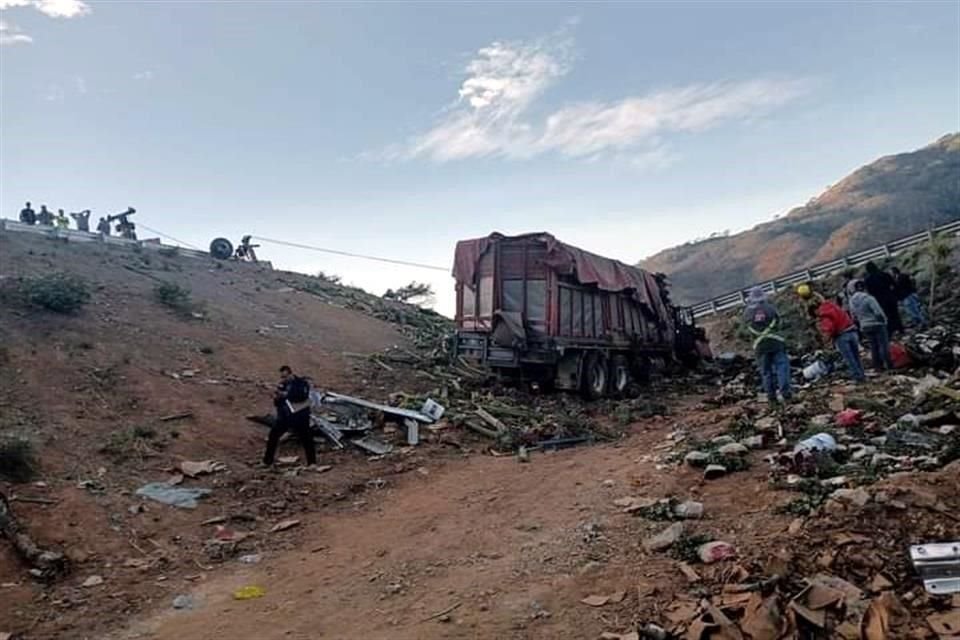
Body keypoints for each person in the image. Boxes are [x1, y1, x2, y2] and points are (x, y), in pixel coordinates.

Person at [743, 287, 791, 404]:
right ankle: (785, 393)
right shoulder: (770, 308)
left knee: (766, 372)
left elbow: (744, 332)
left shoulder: (747, 313)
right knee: (782, 367)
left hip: (760, 347)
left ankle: (771, 397)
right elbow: (781, 323)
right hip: (776, 343)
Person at [262, 366, 317, 468]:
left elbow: (301, 396)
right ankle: (267, 461)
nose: (283, 379)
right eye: (282, 377)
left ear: (290, 374)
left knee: (307, 439)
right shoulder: (282, 385)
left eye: (285, 376)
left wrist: (285, 394)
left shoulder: (301, 383)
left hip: (300, 416)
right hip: (285, 417)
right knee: (273, 436)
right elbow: (278, 402)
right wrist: (277, 397)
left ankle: (312, 462)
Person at [810, 293, 865, 382]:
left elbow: (828, 327)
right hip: (852, 331)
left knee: (849, 359)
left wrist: (826, 339)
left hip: (842, 336)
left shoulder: (824, 314)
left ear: (815, 309)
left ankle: (857, 377)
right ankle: (862, 375)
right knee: (856, 356)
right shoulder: (833, 306)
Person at [849, 280, 893, 370]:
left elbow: (853, 316)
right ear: (864, 288)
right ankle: (889, 365)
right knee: (883, 345)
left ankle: (877, 366)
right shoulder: (869, 298)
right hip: (877, 324)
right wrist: (884, 320)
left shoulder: (852, 302)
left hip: (865, 326)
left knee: (873, 346)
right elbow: (878, 312)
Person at [863, 262, 903, 335]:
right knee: (895, 314)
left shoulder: (868, 280)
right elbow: (894, 284)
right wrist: (896, 295)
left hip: (880, 300)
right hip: (890, 297)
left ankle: (891, 331)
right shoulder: (884, 274)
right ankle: (900, 329)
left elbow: (870, 292)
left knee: (886, 315)